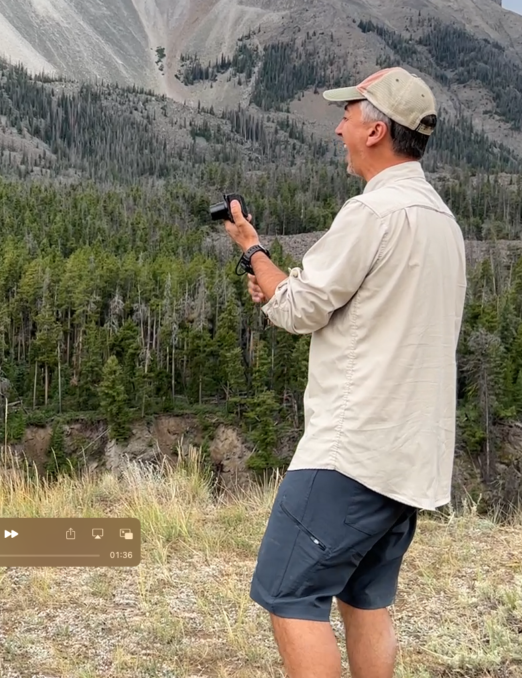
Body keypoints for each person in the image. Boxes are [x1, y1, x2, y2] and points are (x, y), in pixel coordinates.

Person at [222, 67, 467, 678]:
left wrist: (254, 253)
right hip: (411, 457)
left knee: (289, 595)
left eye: (349, 116)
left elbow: (302, 307)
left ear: (377, 130)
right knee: (366, 599)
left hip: (351, 451)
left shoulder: (372, 213)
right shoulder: (443, 221)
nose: (339, 127)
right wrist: (281, 285)